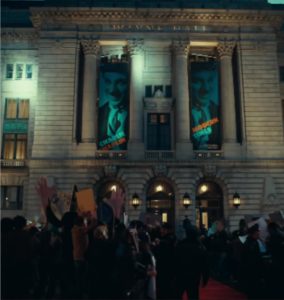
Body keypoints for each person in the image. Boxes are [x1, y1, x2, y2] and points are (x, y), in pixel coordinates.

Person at [190, 62, 221, 150]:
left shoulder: (220, 111)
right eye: (197, 81)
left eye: (210, 80)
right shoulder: (182, 114)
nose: (206, 89)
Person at [98, 68, 129, 150]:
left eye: (121, 82)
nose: (112, 90)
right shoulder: (98, 113)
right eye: (108, 81)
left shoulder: (137, 115)